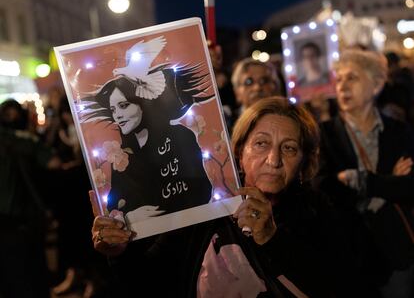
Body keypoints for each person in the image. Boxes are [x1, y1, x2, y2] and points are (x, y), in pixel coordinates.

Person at [90, 96, 362, 297]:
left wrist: (273, 240)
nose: (273, 160)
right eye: (261, 143)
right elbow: (149, 284)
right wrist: (119, 253)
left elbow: (343, 286)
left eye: (289, 148)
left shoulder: (320, 210)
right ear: (240, 153)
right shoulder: (203, 210)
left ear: (304, 162)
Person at [314, 49, 414, 298]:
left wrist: (360, 181)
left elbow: (410, 186)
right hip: (347, 255)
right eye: (339, 79)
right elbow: (323, 188)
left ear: (377, 84)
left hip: (396, 254)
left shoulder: (400, 130)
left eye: (353, 78)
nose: (343, 86)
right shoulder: (322, 135)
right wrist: (389, 182)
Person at [82, 65, 214, 221]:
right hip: (143, 241)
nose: (117, 115)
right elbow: (115, 203)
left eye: (123, 106)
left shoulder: (181, 136)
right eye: (113, 109)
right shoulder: (121, 155)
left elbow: (202, 190)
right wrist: (130, 217)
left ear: (143, 104)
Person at [0, 99, 60, 298]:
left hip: (16, 222)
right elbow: (54, 163)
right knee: (30, 280)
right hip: (21, 222)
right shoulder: (25, 140)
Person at [231, 58, 281, 123]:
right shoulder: (225, 125)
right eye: (249, 82)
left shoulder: (288, 122)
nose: (257, 88)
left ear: (275, 87)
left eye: (264, 81)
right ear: (237, 93)